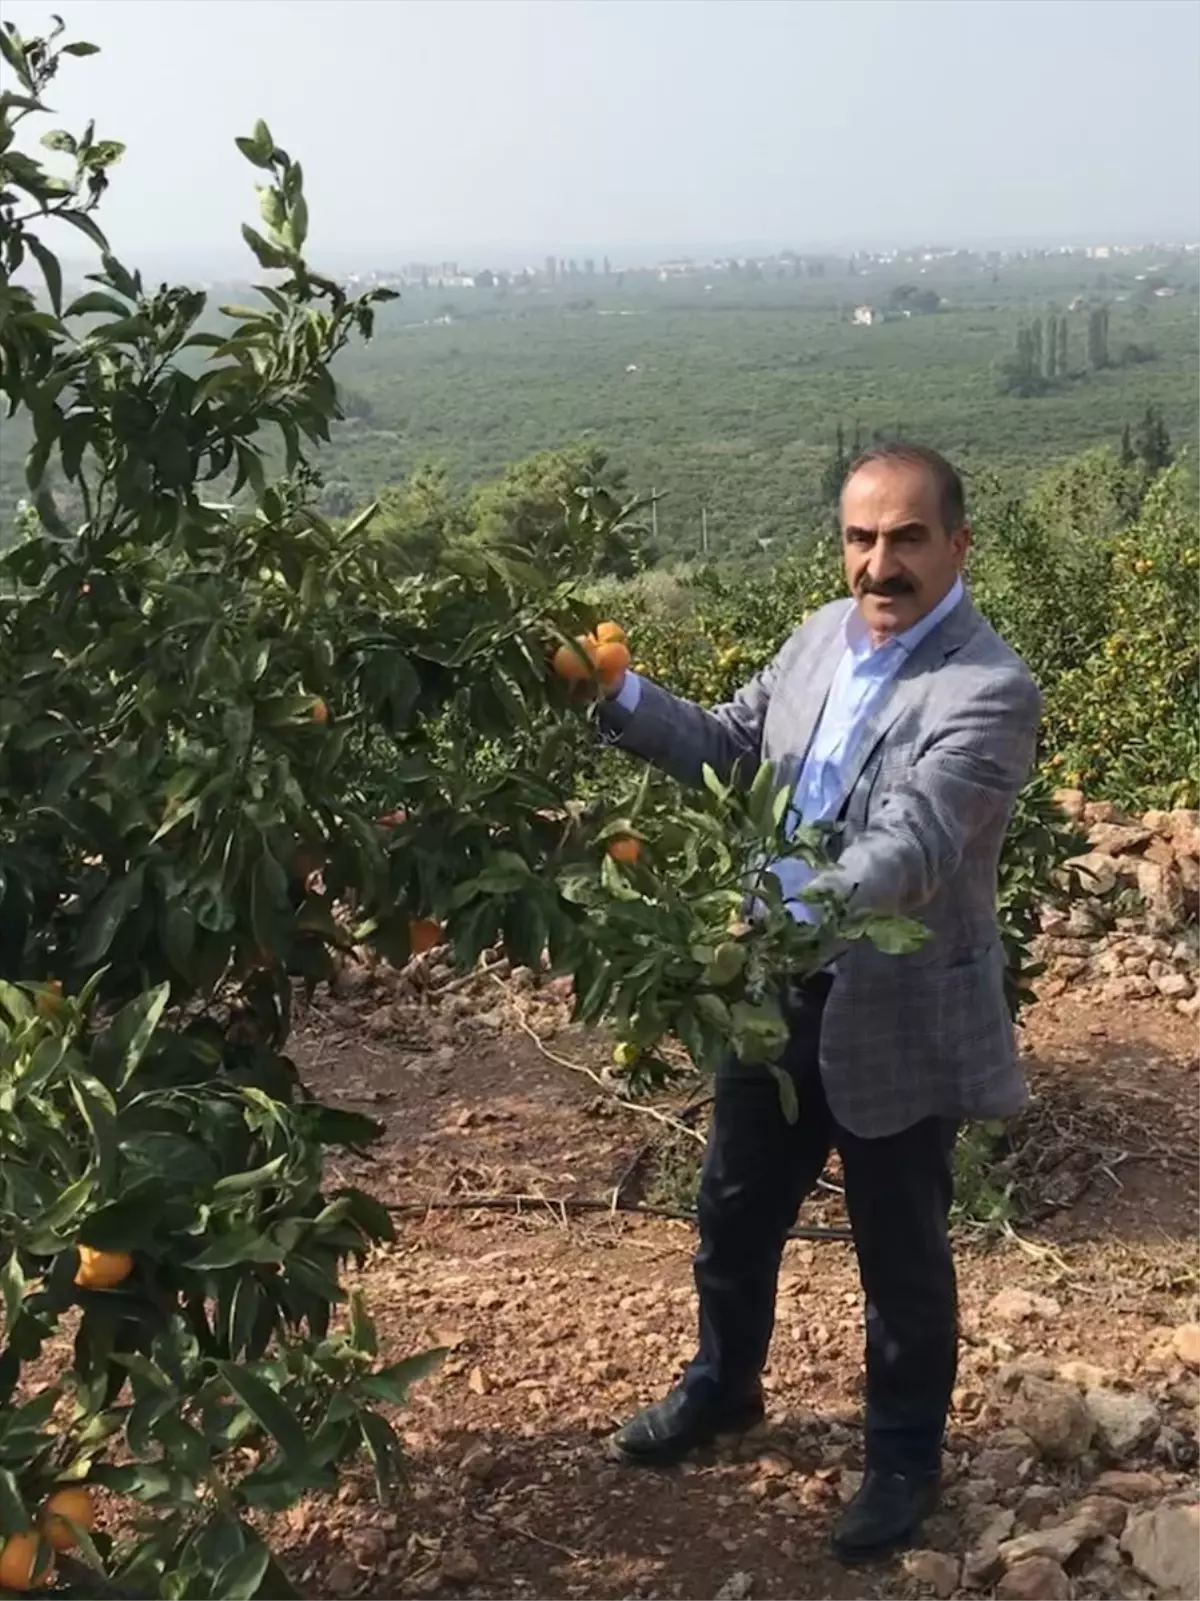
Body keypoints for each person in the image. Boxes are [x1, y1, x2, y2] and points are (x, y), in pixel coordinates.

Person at [595, 443, 1042, 1566]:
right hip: (773, 995)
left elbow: (916, 843)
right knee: (734, 1207)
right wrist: (616, 694)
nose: (879, 563)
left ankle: (902, 1457)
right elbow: (731, 746)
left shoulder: (989, 689)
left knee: (899, 1246)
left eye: (907, 538)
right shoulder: (814, 640)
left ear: (958, 543)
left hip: (895, 1002)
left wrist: (788, 909)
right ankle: (723, 1384)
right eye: (861, 537)